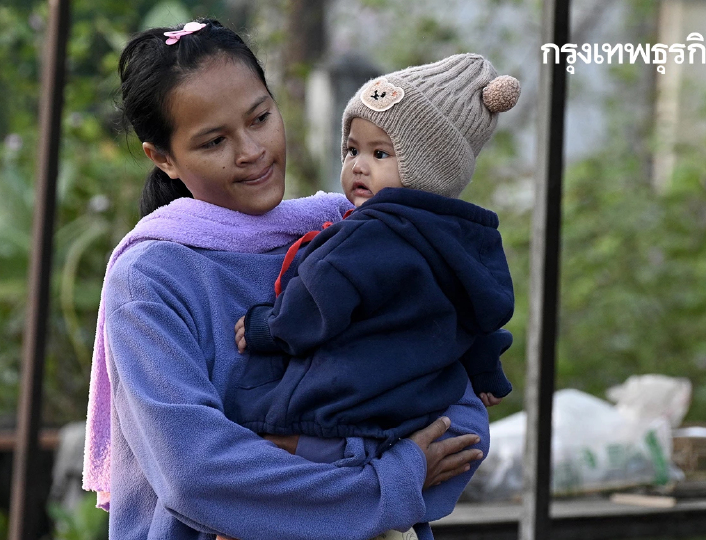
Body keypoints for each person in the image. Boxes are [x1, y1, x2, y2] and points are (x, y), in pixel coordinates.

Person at [83, 19, 485, 540]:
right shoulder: (152, 280)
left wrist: (293, 465)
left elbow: (460, 424)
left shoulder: (356, 233)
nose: (251, 150)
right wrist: (390, 478)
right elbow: (198, 476)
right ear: (164, 158)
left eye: (260, 118)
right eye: (213, 141)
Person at [228, 53, 519, 520]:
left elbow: (320, 297)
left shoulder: (369, 233)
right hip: (409, 417)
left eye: (380, 154)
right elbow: (479, 316)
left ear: (431, 169)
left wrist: (267, 326)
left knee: (254, 449)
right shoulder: (467, 241)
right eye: (352, 150)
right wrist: (486, 373)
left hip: (335, 407)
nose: (359, 166)